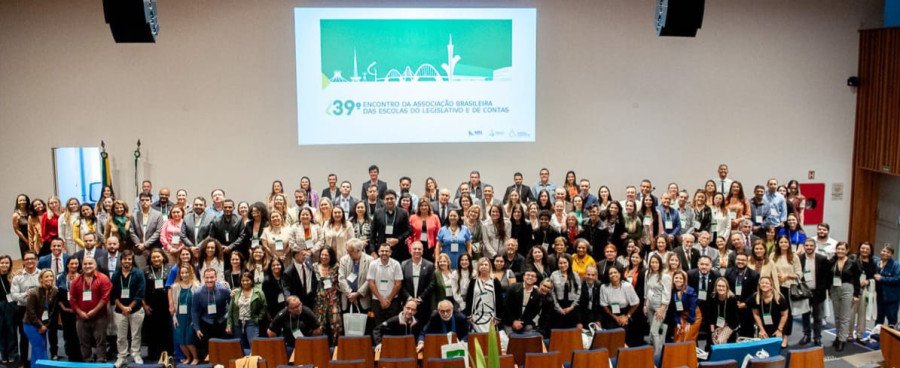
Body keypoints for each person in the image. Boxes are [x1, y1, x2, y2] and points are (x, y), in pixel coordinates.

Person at [70, 257, 112, 363]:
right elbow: (72, 299)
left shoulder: (103, 278)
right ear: (82, 266)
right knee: (84, 342)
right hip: (81, 317)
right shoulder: (76, 281)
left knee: (101, 341)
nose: (87, 266)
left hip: (100, 317)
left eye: (90, 263)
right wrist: (80, 312)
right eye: (85, 264)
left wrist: (94, 311)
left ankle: (101, 360)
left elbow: (105, 298)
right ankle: (87, 360)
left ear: (95, 265)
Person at [111, 250, 145, 366]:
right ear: (121, 260)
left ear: (132, 260)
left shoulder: (139, 273)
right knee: (121, 336)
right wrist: (122, 308)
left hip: (136, 310)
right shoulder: (116, 275)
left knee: (136, 335)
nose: (127, 261)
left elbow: (140, 294)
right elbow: (113, 295)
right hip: (120, 311)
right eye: (125, 259)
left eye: (129, 259)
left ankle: (136, 354)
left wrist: (129, 307)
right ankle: (122, 356)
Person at [771, 235, 803, 348]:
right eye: (781, 242)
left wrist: (787, 276)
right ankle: (777, 333)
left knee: (787, 314)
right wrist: (776, 276)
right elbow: (769, 270)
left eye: (786, 242)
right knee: (776, 312)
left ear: (789, 244)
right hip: (775, 288)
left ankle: (785, 336)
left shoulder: (794, 256)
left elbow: (799, 273)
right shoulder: (773, 256)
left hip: (789, 288)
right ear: (778, 244)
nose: (784, 244)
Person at [190, 268, 230, 358]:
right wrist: (197, 328)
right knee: (208, 349)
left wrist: (229, 323)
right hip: (206, 321)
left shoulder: (224, 290)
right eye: (207, 278)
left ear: (216, 278)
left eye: (212, 277)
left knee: (223, 348)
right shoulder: (198, 293)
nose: (209, 280)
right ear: (204, 278)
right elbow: (194, 311)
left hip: (222, 321)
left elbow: (231, 305)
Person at [829, 241, 861, 351]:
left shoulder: (853, 262)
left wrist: (856, 294)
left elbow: (857, 279)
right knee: (837, 316)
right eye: (838, 249)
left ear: (847, 250)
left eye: (842, 249)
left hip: (847, 288)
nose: (840, 251)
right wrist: (829, 291)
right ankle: (838, 336)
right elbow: (828, 277)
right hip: (834, 289)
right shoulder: (832, 261)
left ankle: (842, 339)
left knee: (845, 317)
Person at [143, 248, 172, 361]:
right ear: (150, 259)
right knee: (153, 331)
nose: (156, 259)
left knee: (167, 330)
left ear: (163, 257)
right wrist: (144, 305)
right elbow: (141, 290)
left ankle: (168, 354)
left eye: (158, 256)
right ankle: (154, 355)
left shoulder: (170, 269)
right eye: (153, 257)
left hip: (166, 304)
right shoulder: (145, 270)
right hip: (151, 305)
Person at [23, 270, 57, 367]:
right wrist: (40, 326)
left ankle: (35, 366)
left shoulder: (54, 291)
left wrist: (45, 325)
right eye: (46, 276)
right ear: (41, 279)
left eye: (51, 276)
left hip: (43, 325)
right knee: (39, 348)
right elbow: (30, 312)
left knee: (38, 348)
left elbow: (52, 311)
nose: (49, 278)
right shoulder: (34, 293)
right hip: (31, 324)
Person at [599, 266, 641, 345]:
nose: (613, 275)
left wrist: (627, 316)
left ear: (620, 274)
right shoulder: (604, 287)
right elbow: (604, 305)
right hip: (611, 313)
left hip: (626, 312)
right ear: (608, 276)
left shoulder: (627, 286)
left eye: (615, 272)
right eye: (610, 273)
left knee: (624, 332)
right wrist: (615, 317)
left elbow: (636, 303)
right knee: (611, 334)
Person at [798, 239, 829, 346]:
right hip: (804, 292)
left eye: (811, 245)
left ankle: (817, 337)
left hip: (818, 292)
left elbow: (826, 276)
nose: (809, 247)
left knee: (817, 317)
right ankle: (806, 335)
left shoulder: (822, 259)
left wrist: (824, 290)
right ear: (804, 246)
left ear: (815, 246)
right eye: (807, 245)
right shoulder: (799, 258)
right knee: (805, 315)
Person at [12, 251, 41, 364]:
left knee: (39, 336)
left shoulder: (42, 274)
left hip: (39, 310)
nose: (30, 261)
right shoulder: (17, 277)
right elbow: (14, 296)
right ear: (23, 261)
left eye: (32, 258)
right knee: (24, 337)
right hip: (23, 310)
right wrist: (26, 294)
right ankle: (23, 361)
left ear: (36, 260)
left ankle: (37, 361)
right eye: (27, 259)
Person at [688, 256, 721, 350]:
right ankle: (695, 350)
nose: (704, 267)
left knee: (710, 330)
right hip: (695, 306)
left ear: (711, 266)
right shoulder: (690, 274)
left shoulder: (716, 275)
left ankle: (709, 349)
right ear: (698, 264)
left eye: (706, 265)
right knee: (695, 330)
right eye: (702, 264)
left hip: (710, 306)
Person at [226, 272, 266, 350]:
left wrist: (258, 318)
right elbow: (230, 310)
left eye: (247, 280)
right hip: (238, 322)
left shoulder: (258, 292)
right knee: (240, 346)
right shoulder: (236, 292)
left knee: (254, 346)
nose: (245, 282)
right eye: (243, 280)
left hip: (251, 322)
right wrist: (229, 324)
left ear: (251, 281)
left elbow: (264, 307)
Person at [170, 263, 200, 364]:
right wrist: (174, 317)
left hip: (191, 317)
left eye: (186, 272)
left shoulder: (196, 285)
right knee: (180, 341)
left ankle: (195, 357)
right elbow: (174, 303)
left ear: (190, 273)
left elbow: (199, 304)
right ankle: (188, 357)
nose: (184, 274)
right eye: (182, 273)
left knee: (189, 340)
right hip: (179, 317)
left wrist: (196, 319)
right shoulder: (175, 286)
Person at [724, 253, 760, 338]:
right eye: (738, 260)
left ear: (747, 261)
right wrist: (733, 302)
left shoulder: (754, 275)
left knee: (747, 333)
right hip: (732, 306)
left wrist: (745, 303)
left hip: (747, 308)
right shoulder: (728, 272)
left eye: (743, 260)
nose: (740, 262)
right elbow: (726, 288)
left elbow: (755, 292)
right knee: (731, 332)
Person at [368, 243, 404, 327]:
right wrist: (381, 300)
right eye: (382, 251)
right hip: (377, 300)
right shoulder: (373, 264)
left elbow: (398, 284)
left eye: (387, 251)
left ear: (390, 252)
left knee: (392, 326)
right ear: (378, 252)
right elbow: (371, 283)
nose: (384, 253)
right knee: (378, 325)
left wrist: (388, 299)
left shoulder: (396, 264)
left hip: (393, 300)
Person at [370, 190, 412, 262]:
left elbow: (408, 231)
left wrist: (398, 239)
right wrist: (373, 251)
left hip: (398, 249)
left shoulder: (403, 213)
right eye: (387, 199)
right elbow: (372, 233)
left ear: (396, 199)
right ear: (384, 200)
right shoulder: (378, 212)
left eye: (392, 198)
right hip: (382, 249)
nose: (389, 201)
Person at [313, 247, 342, 345]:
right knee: (319, 326)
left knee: (336, 325)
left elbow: (340, 282)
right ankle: (320, 348)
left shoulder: (336, 267)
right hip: (319, 302)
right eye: (322, 254)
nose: (323, 257)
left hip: (333, 301)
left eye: (326, 255)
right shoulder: (314, 266)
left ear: (331, 256)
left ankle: (336, 348)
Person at [464, 257, 502, 333]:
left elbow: (499, 300)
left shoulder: (495, 281)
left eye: (486, 264)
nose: (484, 266)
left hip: (491, 316)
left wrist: (498, 317)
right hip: (476, 316)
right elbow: (469, 298)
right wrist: (468, 315)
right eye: (481, 264)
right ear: (478, 267)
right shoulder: (474, 281)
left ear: (489, 267)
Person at [400, 242, 435, 324]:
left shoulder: (429, 265)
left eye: (419, 249)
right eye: (415, 249)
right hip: (408, 303)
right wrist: (409, 298)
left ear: (422, 251)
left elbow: (432, 284)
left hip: (423, 303)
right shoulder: (403, 265)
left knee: (422, 326)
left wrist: (420, 298)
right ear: (410, 251)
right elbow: (401, 284)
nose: (417, 251)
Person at [56, 257, 82, 361]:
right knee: (68, 333)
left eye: (76, 264)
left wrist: (77, 309)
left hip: (79, 311)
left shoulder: (82, 277)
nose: (74, 266)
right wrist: (63, 308)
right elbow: (58, 296)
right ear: (67, 265)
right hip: (65, 310)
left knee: (78, 333)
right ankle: (70, 355)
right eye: (72, 264)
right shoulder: (61, 277)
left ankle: (80, 355)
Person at [644, 254, 671, 355]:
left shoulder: (665, 276)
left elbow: (667, 293)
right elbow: (647, 290)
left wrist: (662, 308)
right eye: (652, 262)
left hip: (660, 306)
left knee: (654, 331)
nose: (654, 264)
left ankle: (657, 354)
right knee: (652, 329)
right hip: (650, 304)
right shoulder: (648, 273)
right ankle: (655, 347)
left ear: (660, 263)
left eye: (656, 262)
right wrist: (645, 304)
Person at [749, 276, 789, 343]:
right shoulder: (755, 297)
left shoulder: (779, 298)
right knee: (763, 344)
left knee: (780, 345)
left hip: (778, 325)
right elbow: (756, 314)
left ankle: (784, 336)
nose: (764, 285)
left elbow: (784, 315)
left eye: (767, 283)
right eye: (762, 283)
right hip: (764, 325)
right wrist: (761, 329)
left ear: (771, 286)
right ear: (759, 285)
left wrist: (779, 330)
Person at [337, 238, 372, 313]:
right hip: (347, 298)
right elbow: (341, 278)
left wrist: (357, 294)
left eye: (351, 251)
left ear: (359, 250)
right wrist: (350, 294)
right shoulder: (343, 260)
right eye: (348, 250)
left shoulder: (370, 260)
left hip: (363, 299)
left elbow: (369, 280)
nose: (348, 253)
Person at [851, 241, 877, 342]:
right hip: (853, 290)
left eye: (867, 249)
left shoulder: (873, 263)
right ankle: (848, 334)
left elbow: (874, 277)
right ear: (859, 249)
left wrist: (868, 281)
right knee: (851, 313)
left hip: (865, 291)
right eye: (863, 248)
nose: (864, 250)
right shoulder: (853, 259)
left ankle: (859, 335)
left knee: (862, 314)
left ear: (870, 251)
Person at [504, 269, 542, 335]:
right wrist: (513, 321)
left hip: (525, 323)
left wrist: (523, 323)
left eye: (533, 276)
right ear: (523, 277)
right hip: (510, 321)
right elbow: (505, 307)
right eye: (528, 275)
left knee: (529, 338)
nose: (530, 277)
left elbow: (535, 312)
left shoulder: (537, 294)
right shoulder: (513, 288)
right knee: (511, 340)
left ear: (536, 279)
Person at [549, 253, 581, 329]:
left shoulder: (575, 275)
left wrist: (572, 307)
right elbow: (552, 292)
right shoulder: (554, 275)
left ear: (569, 263)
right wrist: (558, 308)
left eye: (565, 263)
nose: (562, 265)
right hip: (558, 307)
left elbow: (579, 292)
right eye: (560, 263)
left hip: (572, 307)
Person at [705, 277, 739, 345]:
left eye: (723, 286)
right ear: (715, 287)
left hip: (730, 325)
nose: (721, 288)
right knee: (713, 339)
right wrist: (712, 331)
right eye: (719, 286)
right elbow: (710, 317)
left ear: (727, 287)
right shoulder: (712, 297)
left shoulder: (732, 299)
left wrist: (722, 329)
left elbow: (734, 319)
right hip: (717, 324)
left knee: (720, 340)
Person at [668, 270, 700, 342]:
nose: (678, 280)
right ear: (673, 279)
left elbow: (692, 308)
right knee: (678, 334)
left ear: (684, 280)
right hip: (682, 315)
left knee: (687, 337)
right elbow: (675, 309)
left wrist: (689, 322)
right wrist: (678, 322)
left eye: (680, 278)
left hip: (694, 315)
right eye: (676, 278)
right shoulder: (673, 292)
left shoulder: (690, 291)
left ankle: (689, 353)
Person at [261, 258, 287, 334]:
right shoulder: (266, 280)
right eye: (273, 265)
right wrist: (268, 313)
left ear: (281, 266)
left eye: (278, 265)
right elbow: (265, 298)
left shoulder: (285, 277)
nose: (276, 267)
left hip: (285, 307)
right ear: (271, 267)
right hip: (272, 309)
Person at [876, 245, 900, 328]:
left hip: (892, 297)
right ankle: (876, 337)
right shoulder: (877, 262)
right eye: (883, 251)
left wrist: (882, 278)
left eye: (888, 252)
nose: (885, 253)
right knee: (879, 318)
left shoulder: (896, 265)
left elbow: (897, 278)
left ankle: (892, 340)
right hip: (880, 296)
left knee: (892, 320)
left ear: (891, 254)